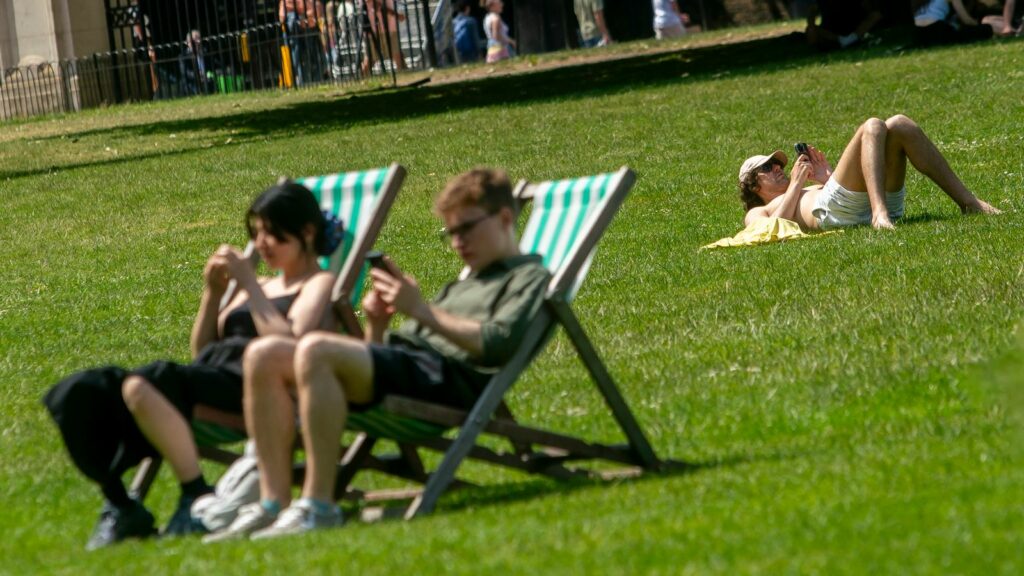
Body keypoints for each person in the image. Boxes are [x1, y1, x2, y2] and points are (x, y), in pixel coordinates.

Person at [204, 168, 551, 541]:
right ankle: (271, 503)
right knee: (264, 353)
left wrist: (420, 310)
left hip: (442, 381)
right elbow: (387, 359)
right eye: (450, 232)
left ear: (504, 218)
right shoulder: (467, 282)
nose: (456, 242)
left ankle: (319, 506)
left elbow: (496, 343)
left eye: (465, 228)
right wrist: (378, 326)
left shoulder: (528, 277)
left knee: (315, 348)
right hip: (408, 370)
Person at [43, 181, 340, 550]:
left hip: (255, 387)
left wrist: (249, 285)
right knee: (85, 389)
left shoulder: (317, 283)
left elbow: (289, 344)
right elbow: (203, 350)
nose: (262, 243)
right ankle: (120, 503)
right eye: (257, 232)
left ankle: (194, 496)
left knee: (149, 381)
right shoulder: (258, 284)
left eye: (273, 234)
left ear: (307, 232)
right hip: (210, 375)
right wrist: (212, 293)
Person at [738, 115, 1001, 231]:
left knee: (899, 124)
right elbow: (769, 232)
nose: (777, 168)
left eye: (778, 164)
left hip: (861, 202)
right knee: (872, 126)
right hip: (838, 213)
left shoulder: (806, 190)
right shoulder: (758, 211)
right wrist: (796, 184)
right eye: (766, 168)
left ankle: (969, 203)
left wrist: (827, 179)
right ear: (753, 187)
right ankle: (879, 215)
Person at [806, 0, 913, 50]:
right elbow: (812, 12)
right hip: (832, 29)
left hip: (854, 26)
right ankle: (845, 41)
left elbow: (869, 9)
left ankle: (849, 40)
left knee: (875, 16)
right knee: (810, 30)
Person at [361, 0, 407, 75]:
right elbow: (376, 5)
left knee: (398, 56)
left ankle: (405, 77)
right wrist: (395, 14)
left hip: (389, 27)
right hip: (375, 28)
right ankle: (361, 80)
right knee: (370, 59)